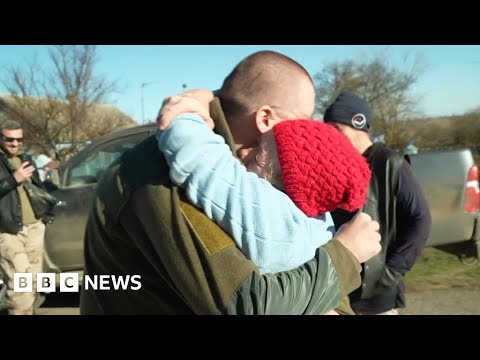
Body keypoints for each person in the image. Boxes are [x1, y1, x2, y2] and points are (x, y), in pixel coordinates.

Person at [80, 50, 381, 315]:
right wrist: (345, 257)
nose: (306, 132)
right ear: (265, 118)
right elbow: (248, 303)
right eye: (302, 118)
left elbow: (302, 254)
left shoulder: (255, 171)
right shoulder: (165, 172)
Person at [157, 112, 372, 275]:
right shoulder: (315, 226)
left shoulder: (270, 217)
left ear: (287, 185)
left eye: (258, 151)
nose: (243, 152)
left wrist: (193, 104)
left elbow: (187, 144)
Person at [323, 91, 432, 315]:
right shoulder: (337, 165)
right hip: (340, 289)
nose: (331, 138)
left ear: (358, 123)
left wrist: (389, 272)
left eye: (337, 129)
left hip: (376, 297)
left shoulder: (390, 162)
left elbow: (420, 219)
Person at [0, 118, 54, 314]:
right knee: (19, 283)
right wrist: (14, 179)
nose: (15, 144)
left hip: (34, 228)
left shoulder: (26, 159)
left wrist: (46, 215)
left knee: (31, 283)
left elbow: (38, 188)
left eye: (19, 140)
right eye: (9, 140)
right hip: (7, 231)